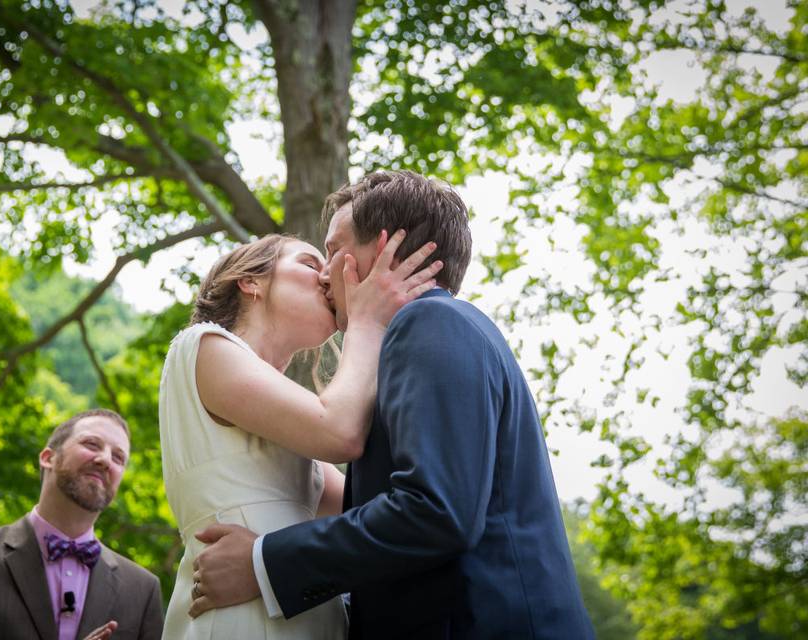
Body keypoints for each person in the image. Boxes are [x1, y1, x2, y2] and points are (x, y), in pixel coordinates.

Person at [190, 170, 595, 639]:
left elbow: (435, 511)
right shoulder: (429, 338)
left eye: (335, 250)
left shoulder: (430, 321)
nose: (324, 273)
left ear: (383, 250)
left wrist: (263, 564)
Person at [158, 232, 442, 639]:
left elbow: (368, 505)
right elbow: (340, 433)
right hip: (243, 619)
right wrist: (366, 320)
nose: (329, 277)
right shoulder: (203, 345)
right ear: (250, 281)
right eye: (310, 264)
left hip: (307, 615)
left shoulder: (292, 447)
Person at [0, 409, 164, 640]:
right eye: (91, 444)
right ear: (48, 458)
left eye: (118, 458)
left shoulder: (143, 590)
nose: (105, 460)